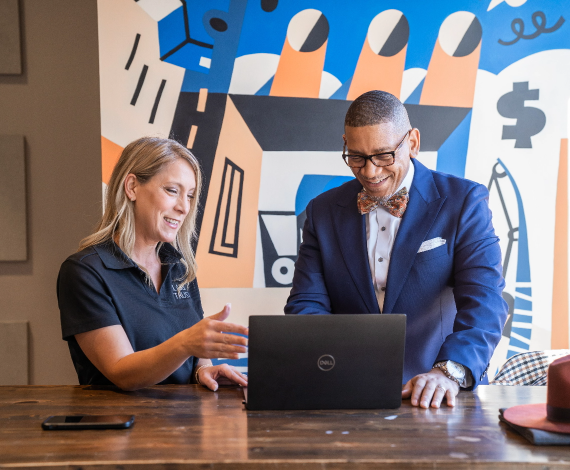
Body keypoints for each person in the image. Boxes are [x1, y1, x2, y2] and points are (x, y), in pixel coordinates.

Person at [285, 90, 508, 409]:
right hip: (346, 393)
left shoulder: (464, 202)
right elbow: (307, 303)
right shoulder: (322, 211)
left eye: (384, 155)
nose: (370, 172)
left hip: (440, 394)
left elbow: (485, 301)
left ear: (413, 142)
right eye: (357, 157)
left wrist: (448, 371)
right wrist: (330, 368)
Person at [57, 136, 248, 391]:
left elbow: (194, 353)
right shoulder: (85, 272)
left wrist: (204, 368)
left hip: (184, 426)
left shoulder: (179, 268)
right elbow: (121, 371)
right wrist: (186, 343)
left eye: (190, 195)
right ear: (132, 187)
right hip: (120, 426)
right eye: (172, 190)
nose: (184, 207)